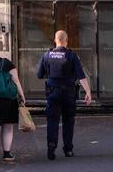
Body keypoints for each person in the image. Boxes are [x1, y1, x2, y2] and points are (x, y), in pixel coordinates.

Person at [37, 30, 92, 161]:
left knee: (52, 120)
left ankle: (51, 146)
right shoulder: (72, 55)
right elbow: (81, 76)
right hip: (68, 92)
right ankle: (68, 149)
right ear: (66, 40)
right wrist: (88, 92)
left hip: (52, 92)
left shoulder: (46, 55)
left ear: (55, 40)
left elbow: (39, 74)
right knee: (68, 120)